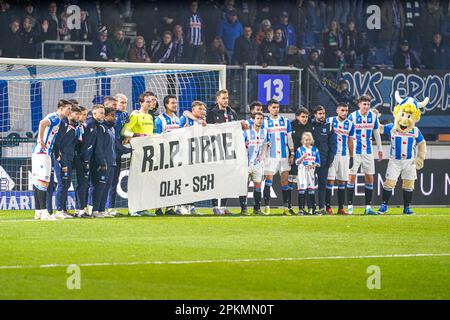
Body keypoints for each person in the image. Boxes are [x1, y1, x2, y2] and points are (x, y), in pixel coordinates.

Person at [31, 100, 71, 221]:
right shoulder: (55, 117)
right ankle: (44, 212)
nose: (70, 111)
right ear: (61, 108)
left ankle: (38, 211)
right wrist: (40, 139)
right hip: (42, 152)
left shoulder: (57, 119)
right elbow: (42, 123)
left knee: (39, 182)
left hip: (43, 152)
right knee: (43, 182)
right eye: (68, 109)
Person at [347, 95, 383, 215]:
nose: (366, 106)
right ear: (359, 104)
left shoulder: (373, 117)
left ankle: (368, 207)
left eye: (368, 104)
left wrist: (380, 149)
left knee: (369, 177)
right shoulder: (352, 116)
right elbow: (348, 135)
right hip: (355, 151)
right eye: (364, 104)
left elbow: (376, 133)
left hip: (368, 151)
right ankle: (350, 206)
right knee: (351, 177)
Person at [121, 92, 154, 216]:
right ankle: (133, 208)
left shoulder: (150, 117)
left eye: (151, 101)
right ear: (141, 103)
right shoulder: (135, 115)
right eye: (147, 101)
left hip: (148, 152)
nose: (150, 103)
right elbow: (125, 130)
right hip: (137, 151)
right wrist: (137, 135)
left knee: (144, 181)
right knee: (136, 180)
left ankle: (142, 207)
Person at [206, 89, 238, 215]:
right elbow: (207, 131)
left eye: (227, 98)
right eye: (223, 98)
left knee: (227, 178)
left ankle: (223, 206)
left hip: (229, 150)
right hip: (216, 150)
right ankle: (215, 206)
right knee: (216, 178)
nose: (226, 101)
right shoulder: (211, 113)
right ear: (218, 99)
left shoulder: (232, 113)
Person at [263, 99, 295, 215]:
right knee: (268, 181)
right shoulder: (265, 122)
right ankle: (267, 207)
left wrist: (292, 154)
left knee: (284, 181)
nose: (276, 109)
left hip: (284, 155)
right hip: (270, 157)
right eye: (274, 107)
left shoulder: (286, 121)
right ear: (269, 109)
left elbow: (290, 139)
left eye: (277, 107)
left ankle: (286, 208)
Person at [325, 103, 354, 215]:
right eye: (342, 110)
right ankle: (328, 207)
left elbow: (350, 141)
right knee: (330, 180)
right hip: (332, 155)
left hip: (344, 155)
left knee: (342, 181)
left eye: (346, 110)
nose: (345, 113)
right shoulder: (330, 120)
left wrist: (351, 156)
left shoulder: (350, 124)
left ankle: (341, 208)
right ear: (337, 110)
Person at [76, 104, 105, 217]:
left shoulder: (96, 124)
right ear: (94, 114)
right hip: (84, 159)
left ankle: (84, 208)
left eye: (103, 113)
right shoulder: (90, 124)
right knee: (83, 184)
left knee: (87, 185)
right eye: (101, 113)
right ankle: (80, 209)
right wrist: (86, 160)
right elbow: (86, 144)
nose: (103, 115)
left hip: (89, 159)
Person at [54, 105, 82, 219]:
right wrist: (60, 159)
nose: (79, 117)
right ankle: (59, 210)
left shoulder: (75, 127)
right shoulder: (63, 125)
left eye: (79, 115)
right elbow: (58, 143)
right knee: (62, 183)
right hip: (62, 159)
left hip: (69, 159)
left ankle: (63, 210)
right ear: (70, 114)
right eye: (77, 114)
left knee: (66, 185)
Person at [240, 112, 269, 215]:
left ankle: (256, 209)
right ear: (253, 120)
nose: (260, 120)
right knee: (244, 186)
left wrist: (262, 155)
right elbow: (240, 145)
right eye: (258, 118)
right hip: (246, 163)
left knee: (258, 186)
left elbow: (265, 144)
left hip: (257, 163)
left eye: (261, 118)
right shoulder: (246, 132)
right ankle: (244, 209)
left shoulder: (265, 132)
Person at [106, 94, 130, 216]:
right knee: (104, 181)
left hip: (118, 151)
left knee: (114, 181)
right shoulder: (110, 117)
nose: (123, 105)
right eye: (121, 103)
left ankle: (110, 207)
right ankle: (95, 207)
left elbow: (128, 129)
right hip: (110, 151)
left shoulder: (126, 115)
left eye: (125, 103)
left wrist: (128, 136)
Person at [91, 107, 117, 218]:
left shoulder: (112, 129)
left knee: (106, 187)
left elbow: (114, 146)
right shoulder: (101, 127)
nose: (114, 117)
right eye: (111, 115)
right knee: (99, 187)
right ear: (106, 116)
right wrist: (102, 161)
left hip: (112, 162)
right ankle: (95, 210)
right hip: (105, 162)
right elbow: (99, 147)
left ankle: (102, 209)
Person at [310, 105, 335, 215]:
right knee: (309, 185)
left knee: (322, 185)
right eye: (320, 114)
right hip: (310, 161)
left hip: (324, 160)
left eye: (323, 113)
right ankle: (311, 208)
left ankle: (321, 207)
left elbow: (333, 145)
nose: (322, 116)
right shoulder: (309, 125)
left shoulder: (329, 126)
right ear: (315, 114)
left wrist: (330, 159)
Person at [289, 107, 312, 206]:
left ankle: (304, 208)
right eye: (303, 116)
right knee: (290, 183)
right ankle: (288, 207)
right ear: (297, 116)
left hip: (306, 160)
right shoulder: (291, 126)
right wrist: (291, 155)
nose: (305, 119)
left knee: (305, 184)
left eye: (306, 117)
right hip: (293, 159)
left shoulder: (310, 126)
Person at [295, 132, 321, 215]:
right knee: (302, 190)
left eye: (309, 140)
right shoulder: (299, 150)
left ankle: (314, 209)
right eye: (306, 140)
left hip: (311, 172)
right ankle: (301, 209)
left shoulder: (315, 150)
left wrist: (313, 165)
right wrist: (302, 157)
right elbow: (296, 162)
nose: (308, 141)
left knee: (311, 190)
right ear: (303, 141)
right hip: (302, 171)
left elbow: (318, 162)